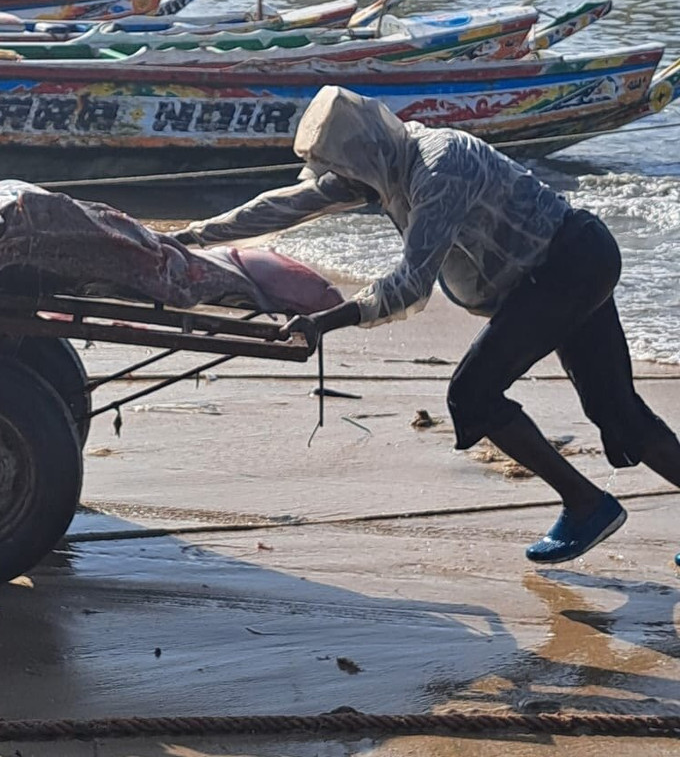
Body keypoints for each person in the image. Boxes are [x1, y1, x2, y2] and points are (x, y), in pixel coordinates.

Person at [167, 86, 680, 565]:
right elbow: (287, 204)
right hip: (562, 266)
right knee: (618, 411)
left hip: (569, 264)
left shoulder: (438, 169)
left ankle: (586, 503)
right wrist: (190, 236)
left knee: (473, 394)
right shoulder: (384, 162)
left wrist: (328, 320)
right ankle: (589, 503)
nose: (341, 187)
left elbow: (413, 283)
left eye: (346, 176)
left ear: (367, 155)